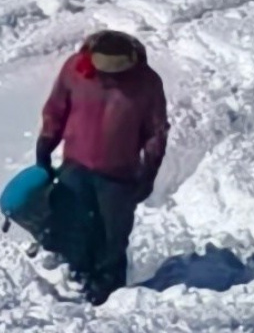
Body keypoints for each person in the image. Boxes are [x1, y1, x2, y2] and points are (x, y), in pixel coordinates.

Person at [35, 28, 168, 304]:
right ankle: (79, 274)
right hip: (75, 166)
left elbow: (156, 131)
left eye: (116, 74)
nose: (110, 79)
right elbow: (56, 109)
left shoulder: (146, 82)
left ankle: (110, 290)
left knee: (113, 234)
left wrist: (149, 171)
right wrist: (46, 145)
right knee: (76, 225)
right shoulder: (75, 70)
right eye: (104, 72)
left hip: (119, 174)